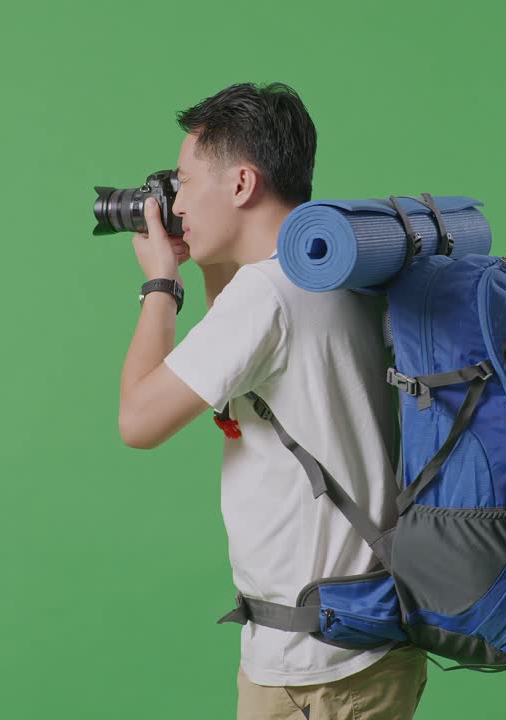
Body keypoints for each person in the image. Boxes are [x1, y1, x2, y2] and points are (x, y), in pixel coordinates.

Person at [117, 81, 427, 719]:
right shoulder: (333, 264)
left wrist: (159, 282)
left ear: (240, 184)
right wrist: (205, 265)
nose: (176, 205)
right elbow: (244, 370)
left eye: (184, 181)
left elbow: (139, 421)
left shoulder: (266, 296)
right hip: (362, 639)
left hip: (318, 670)